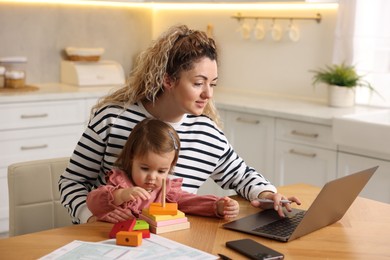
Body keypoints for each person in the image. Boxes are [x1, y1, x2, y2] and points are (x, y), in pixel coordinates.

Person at [59, 24, 300, 224]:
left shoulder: (207, 134)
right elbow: (72, 182)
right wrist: (90, 219)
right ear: (168, 80)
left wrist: (269, 194)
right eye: (198, 83)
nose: (208, 94)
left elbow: (243, 177)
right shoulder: (112, 120)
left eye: (213, 84)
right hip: (108, 239)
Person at [86, 118, 239, 222]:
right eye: (145, 168)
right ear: (132, 158)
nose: (152, 177)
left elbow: (192, 202)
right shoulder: (120, 183)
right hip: (116, 242)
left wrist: (217, 206)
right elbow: (93, 202)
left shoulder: (167, 191)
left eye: (161, 171)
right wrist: (120, 195)